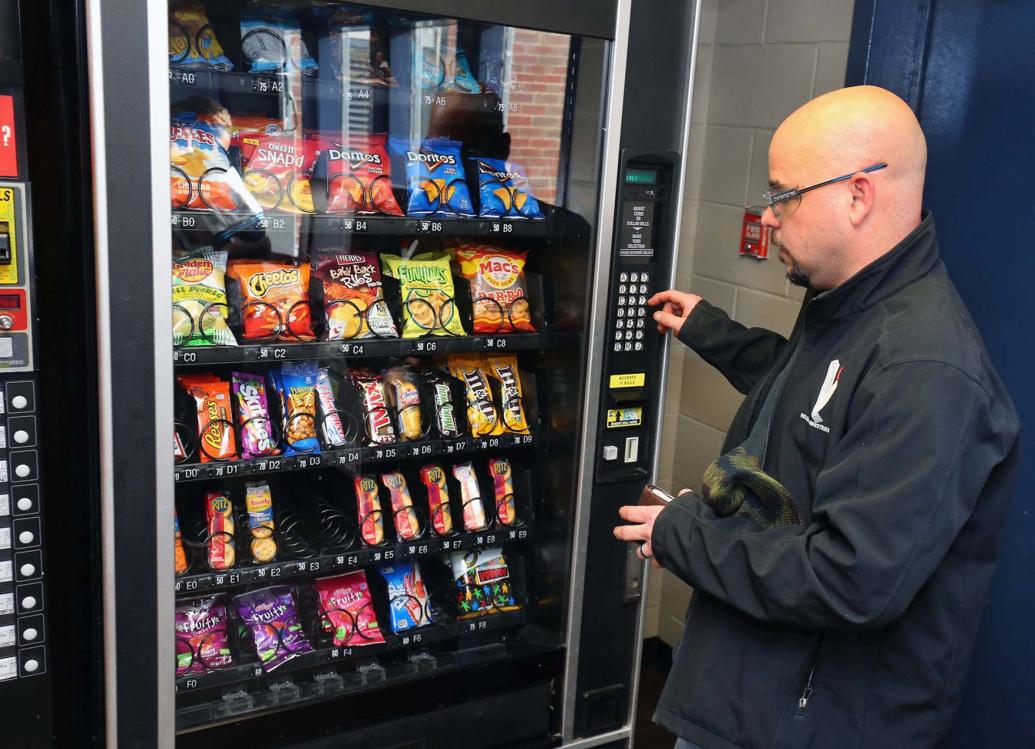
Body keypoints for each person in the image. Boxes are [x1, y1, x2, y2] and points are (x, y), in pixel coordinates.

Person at [613, 85, 1020, 749]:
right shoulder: (847, 304)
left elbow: (850, 580)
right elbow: (812, 403)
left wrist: (684, 534)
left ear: (857, 195)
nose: (768, 218)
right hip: (752, 696)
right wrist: (712, 331)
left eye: (784, 195)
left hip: (805, 724)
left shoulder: (925, 368)